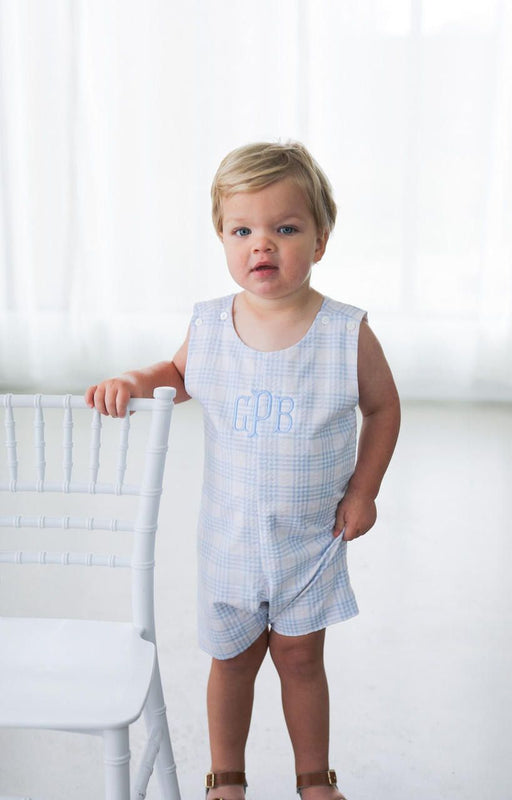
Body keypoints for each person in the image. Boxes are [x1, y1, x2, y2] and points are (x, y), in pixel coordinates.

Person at [86, 141, 401, 800]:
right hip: (229, 537)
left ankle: (314, 777)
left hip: (308, 537)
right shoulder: (209, 325)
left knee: (299, 659)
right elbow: (177, 375)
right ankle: (225, 774)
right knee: (229, 661)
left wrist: (363, 490)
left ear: (318, 241)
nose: (263, 244)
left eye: (285, 228)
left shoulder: (343, 332)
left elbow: (382, 407)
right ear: (223, 239)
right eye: (243, 230)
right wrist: (132, 381)